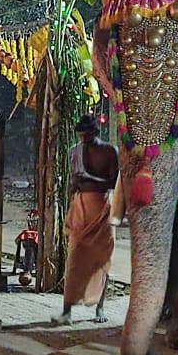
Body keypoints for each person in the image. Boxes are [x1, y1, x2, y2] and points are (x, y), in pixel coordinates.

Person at [51, 114, 118, 326]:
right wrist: (74, 184)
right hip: (81, 209)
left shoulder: (109, 152)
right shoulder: (75, 151)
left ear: (95, 132)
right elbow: (73, 182)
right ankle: (66, 310)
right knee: (74, 259)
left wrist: (90, 179)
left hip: (102, 210)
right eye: (81, 136)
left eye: (87, 136)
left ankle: (100, 307)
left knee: (102, 260)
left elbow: (113, 182)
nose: (83, 140)